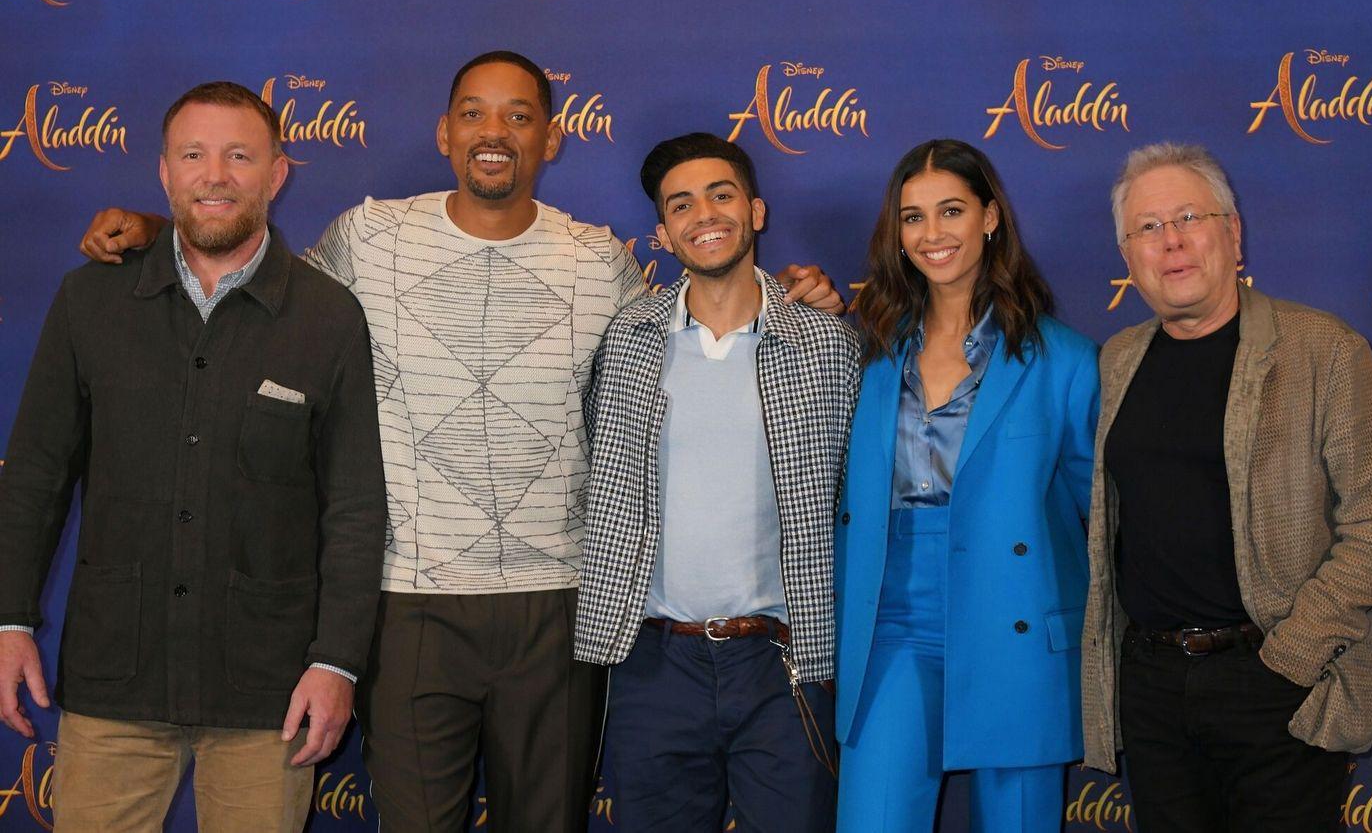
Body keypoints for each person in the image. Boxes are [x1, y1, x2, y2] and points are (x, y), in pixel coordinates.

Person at [75, 52, 844, 831]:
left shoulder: (601, 260)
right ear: (445, 132)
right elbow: (259, 293)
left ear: (551, 138)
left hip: (559, 607)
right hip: (408, 604)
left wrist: (796, 298)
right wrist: (161, 230)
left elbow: (703, 319)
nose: (495, 132)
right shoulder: (368, 236)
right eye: (475, 112)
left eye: (519, 116)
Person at [0, 81, 386, 833]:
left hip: (269, 694)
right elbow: (35, 477)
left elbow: (356, 506)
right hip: (116, 678)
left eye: (240, 156)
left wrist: (336, 661)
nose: (216, 175)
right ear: (165, 173)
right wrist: (9, 618)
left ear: (276, 173)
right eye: (194, 155)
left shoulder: (329, 316)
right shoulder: (89, 302)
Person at [1080, 142, 1372, 832]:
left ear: (1233, 234)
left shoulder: (1324, 350)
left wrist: (1291, 655)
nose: (1171, 240)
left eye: (1189, 217)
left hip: (1275, 680)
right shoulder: (1117, 359)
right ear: (1127, 253)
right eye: (1147, 227)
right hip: (1152, 687)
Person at [575, 133, 860, 830]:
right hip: (652, 663)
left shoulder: (828, 344)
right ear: (663, 234)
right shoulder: (626, 339)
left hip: (784, 664)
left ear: (756, 212)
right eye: (682, 204)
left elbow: (857, 494)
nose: (704, 213)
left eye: (721, 194)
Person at [835, 139, 1099, 831]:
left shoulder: (1064, 359)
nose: (932, 234)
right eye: (912, 217)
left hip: (1016, 617)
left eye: (950, 210)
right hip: (891, 620)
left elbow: (1097, 516)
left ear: (989, 217)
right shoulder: (866, 349)